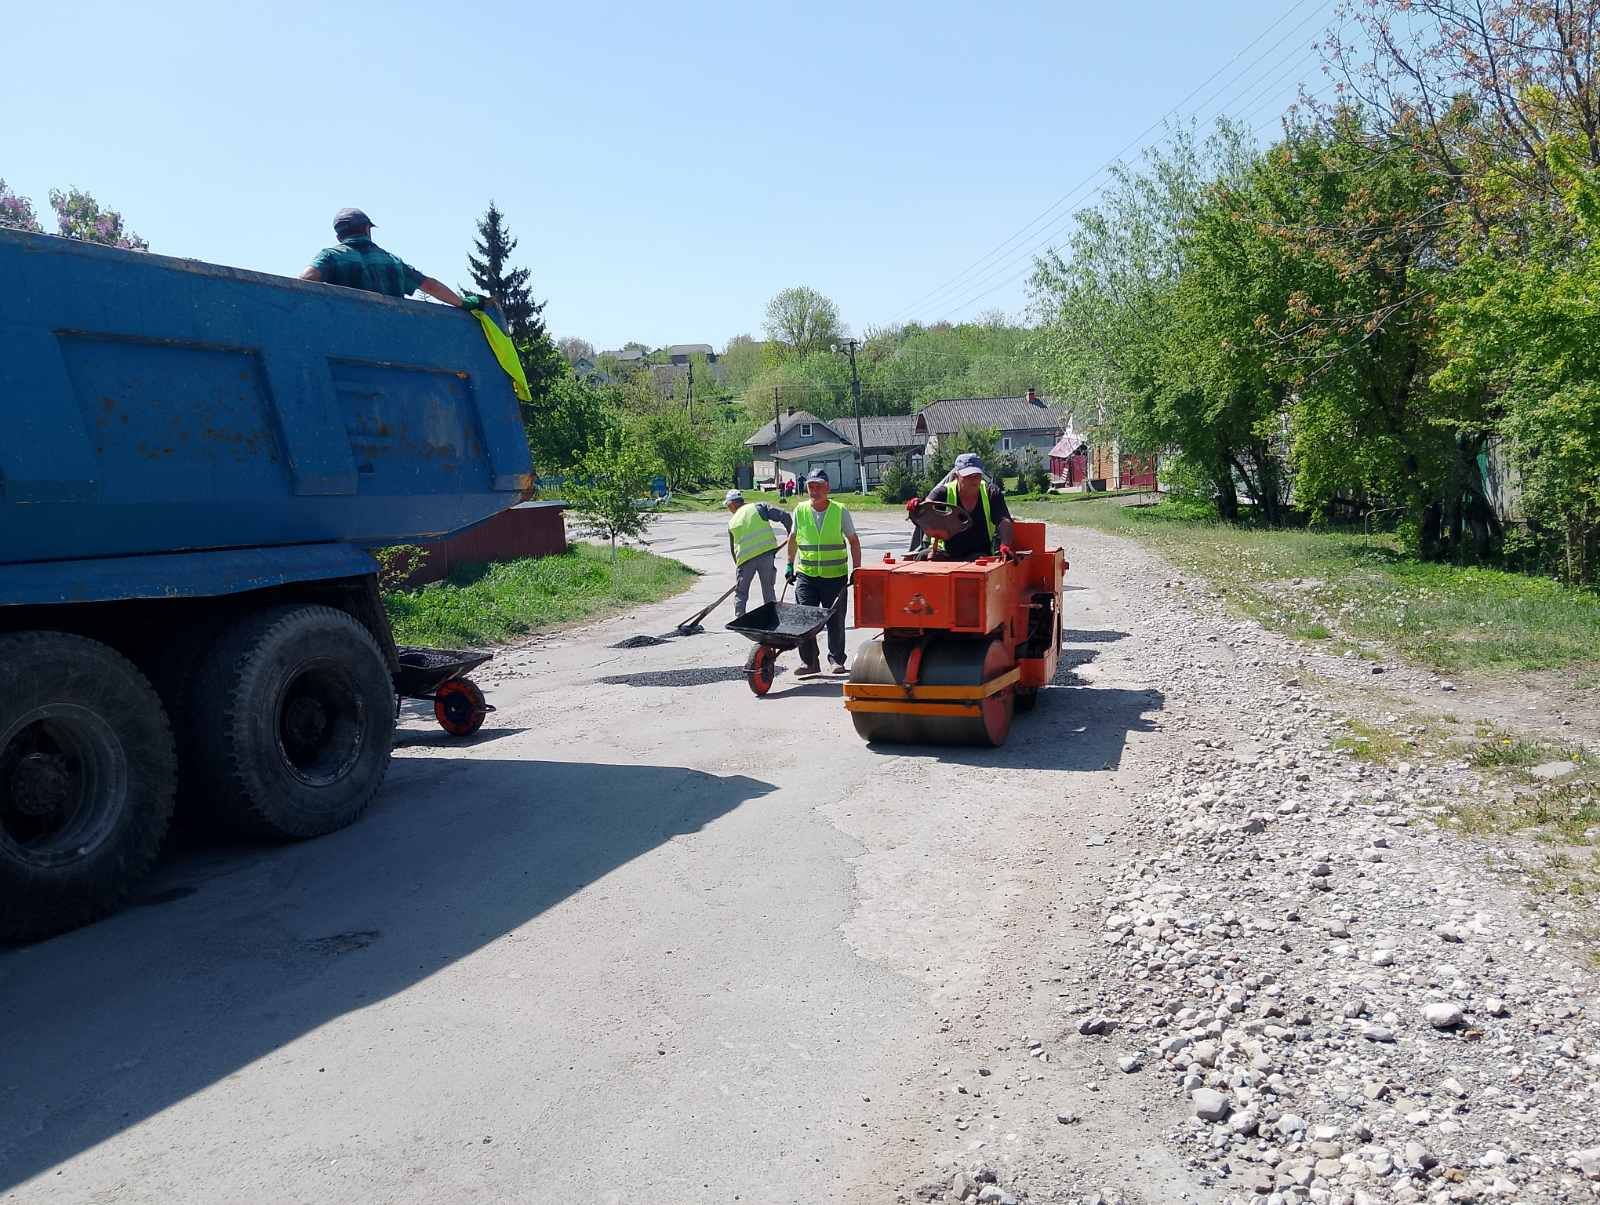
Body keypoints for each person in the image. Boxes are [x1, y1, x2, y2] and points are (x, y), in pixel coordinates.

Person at [299, 208, 465, 306]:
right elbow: (431, 286)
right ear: (367, 229)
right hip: (394, 335)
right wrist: (464, 303)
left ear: (339, 237)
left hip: (350, 335)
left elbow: (305, 280)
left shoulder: (330, 256)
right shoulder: (393, 261)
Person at [785, 469, 862, 676]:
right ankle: (810, 663)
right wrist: (790, 564)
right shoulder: (800, 510)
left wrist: (857, 569)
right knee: (805, 619)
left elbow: (853, 541)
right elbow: (793, 538)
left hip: (835, 576)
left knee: (835, 620)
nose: (814, 490)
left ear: (827, 487)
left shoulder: (839, 510)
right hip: (806, 575)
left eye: (819, 486)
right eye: (811, 486)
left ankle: (836, 660)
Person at [909, 453, 1014, 561]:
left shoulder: (991, 493)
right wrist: (915, 509)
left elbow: (1004, 520)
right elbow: (925, 513)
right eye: (968, 476)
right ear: (956, 476)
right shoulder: (942, 493)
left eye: (977, 475)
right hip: (944, 552)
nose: (974, 479)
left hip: (979, 555)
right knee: (922, 557)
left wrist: (1005, 545)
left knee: (978, 563)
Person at [724, 488, 792, 617]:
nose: (729, 509)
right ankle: (772, 617)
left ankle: (740, 618)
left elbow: (733, 550)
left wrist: (739, 568)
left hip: (744, 561)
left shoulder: (731, 522)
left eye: (728, 506)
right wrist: (791, 534)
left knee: (741, 592)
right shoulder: (759, 507)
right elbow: (785, 516)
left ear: (732, 504)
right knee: (768, 589)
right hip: (766, 556)